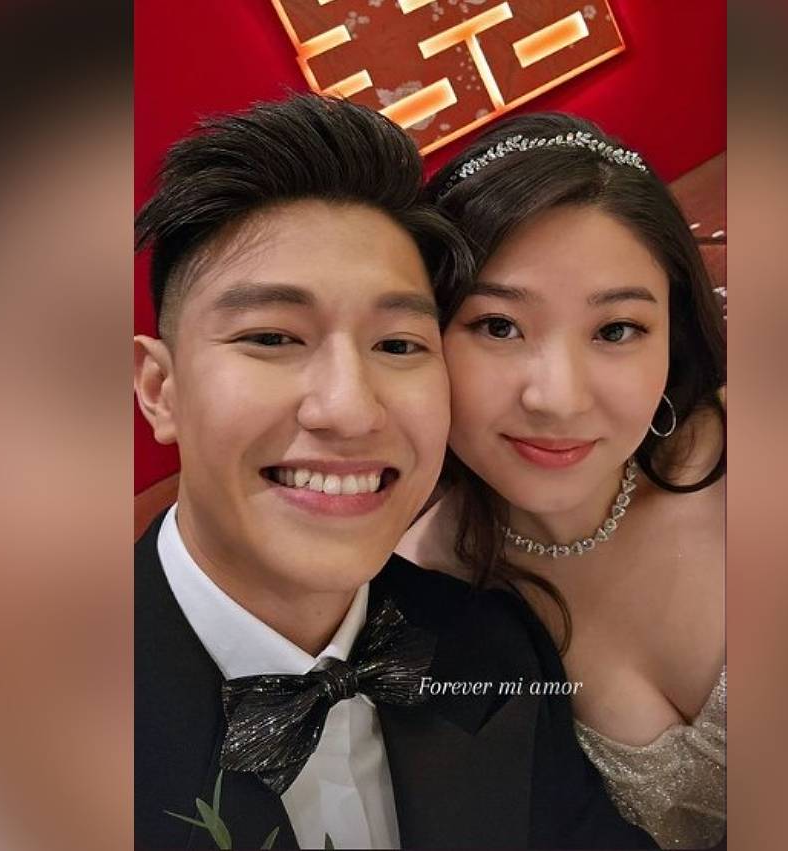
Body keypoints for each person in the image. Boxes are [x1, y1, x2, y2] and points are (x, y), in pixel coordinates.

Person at [133, 95, 655, 850]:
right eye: (273, 337)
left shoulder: (494, 642)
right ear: (161, 389)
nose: (351, 410)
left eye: (399, 345)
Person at [397, 113, 726, 849]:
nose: (559, 398)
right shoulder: (423, 599)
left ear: (672, 333)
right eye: (498, 326)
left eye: (615, 330)